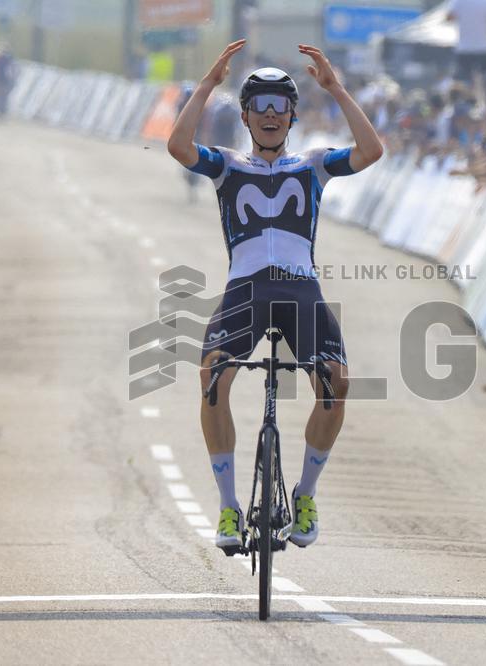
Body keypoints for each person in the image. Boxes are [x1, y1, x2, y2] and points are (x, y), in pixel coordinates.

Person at [166, 41, 383, 551]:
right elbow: (178, 147)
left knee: (334, 384)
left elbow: (371, 151)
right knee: (213, 377)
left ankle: (305, 494)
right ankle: (227, 507)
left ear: (291, 116)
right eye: (259, 106)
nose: (269, 115)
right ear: (244, 116)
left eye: (278, 106)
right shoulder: (225, 165)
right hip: (245, 290)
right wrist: (206, 85)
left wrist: (336, 89)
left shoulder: (313, 164)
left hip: (300, 290)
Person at [446, 0, 486, 117]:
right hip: (484, 47)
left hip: (465, 48)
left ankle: (464, 108)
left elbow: (449, 18)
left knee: (464, 83)